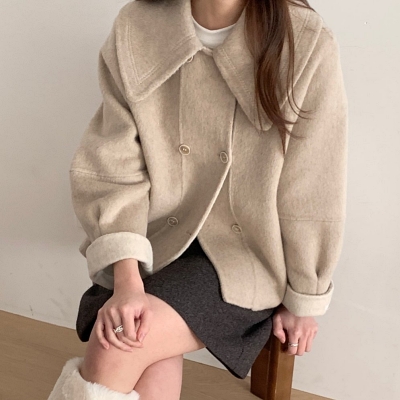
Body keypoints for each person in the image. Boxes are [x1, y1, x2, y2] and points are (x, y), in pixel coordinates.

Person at [48, 0, 348, 398]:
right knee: (136, 340)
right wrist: (127, 281)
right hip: (149, 239)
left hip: (246, 255)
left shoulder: (304, 42)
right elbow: (111, 165)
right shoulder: (137, 25)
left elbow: (312, 189)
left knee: (120, 342)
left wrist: (304, 298)